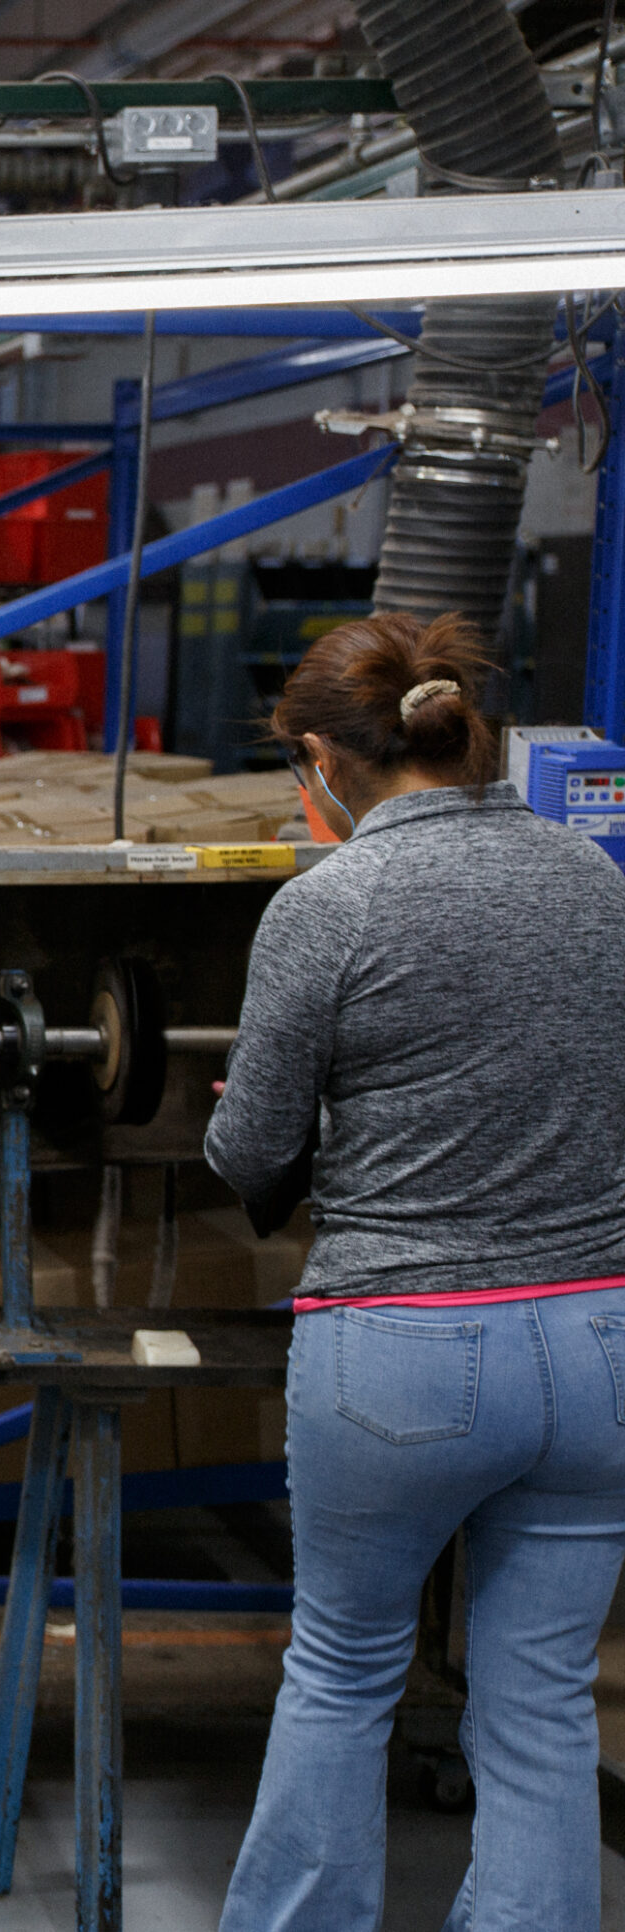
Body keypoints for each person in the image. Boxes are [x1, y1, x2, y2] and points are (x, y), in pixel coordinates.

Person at [207, 610, 625, 1931]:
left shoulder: (326, 907)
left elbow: (250, 1149)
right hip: (602, 1344)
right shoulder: (599, 883)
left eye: (297, 768)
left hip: (405, 1354)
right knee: (544, 1698)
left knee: (341, 1673)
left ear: (329, 758)